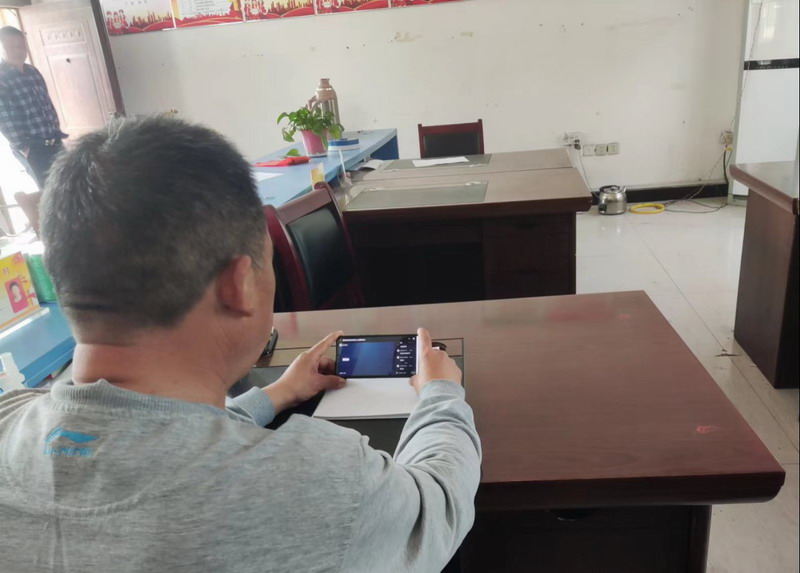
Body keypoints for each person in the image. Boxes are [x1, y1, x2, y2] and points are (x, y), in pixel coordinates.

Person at [0, 116, 481, 572]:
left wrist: (273, 396)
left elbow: (145, 439)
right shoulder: (319, 483)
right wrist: (440, 394)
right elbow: (437, 508)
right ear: (240, 284)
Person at [0, 26, 67, 188]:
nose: (18, 50)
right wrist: (23, 147)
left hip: (54, 141)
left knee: (71, 183)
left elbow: (46, 104)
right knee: (50, 191)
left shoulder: (32, 71)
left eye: (21, 45)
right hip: (33, 148)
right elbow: (4, 118)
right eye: (11, 46)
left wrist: (56, 130)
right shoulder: (2, 78)